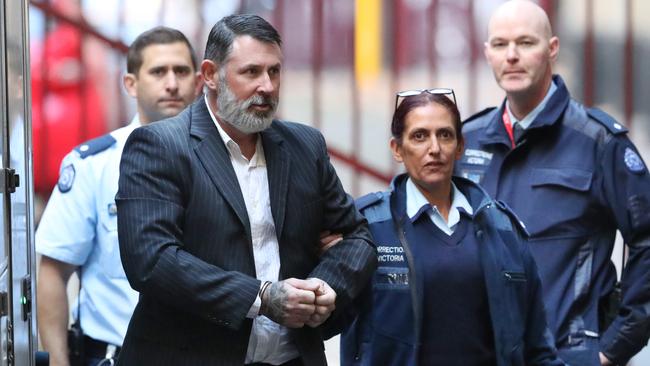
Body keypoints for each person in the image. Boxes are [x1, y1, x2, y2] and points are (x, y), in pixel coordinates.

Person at [114, 14, 377, 366]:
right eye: (251, 72)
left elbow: (357, 236)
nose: (267, 86)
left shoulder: (304, 146)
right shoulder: (160, 146)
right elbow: (151, 260)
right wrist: (262, 297)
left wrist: (326, 288)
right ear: (209, 75)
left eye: (275, 71)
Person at [454, 1, 650, 365]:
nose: (511, 55)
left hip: (567, 355)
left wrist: (614, 346)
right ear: (487, 53)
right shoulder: (467, 142)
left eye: (526, 43)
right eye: (500, 44)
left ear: (552, 49)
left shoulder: (598, 142)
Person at [338, 89, 564, 366]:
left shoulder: (502, 228)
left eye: (445, 135)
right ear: (397, 149)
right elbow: (329, 320)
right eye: (419, 136)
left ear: (460, 146)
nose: (434, 148)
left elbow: (537, 346)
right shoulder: (368, 227)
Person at [36, 26, 202, 366]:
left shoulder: (228, 164)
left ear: (199, 82)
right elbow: (53, 272)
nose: (172, 83)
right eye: (158, 72)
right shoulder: (94, 167)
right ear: (130, 84)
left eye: (181, 71)